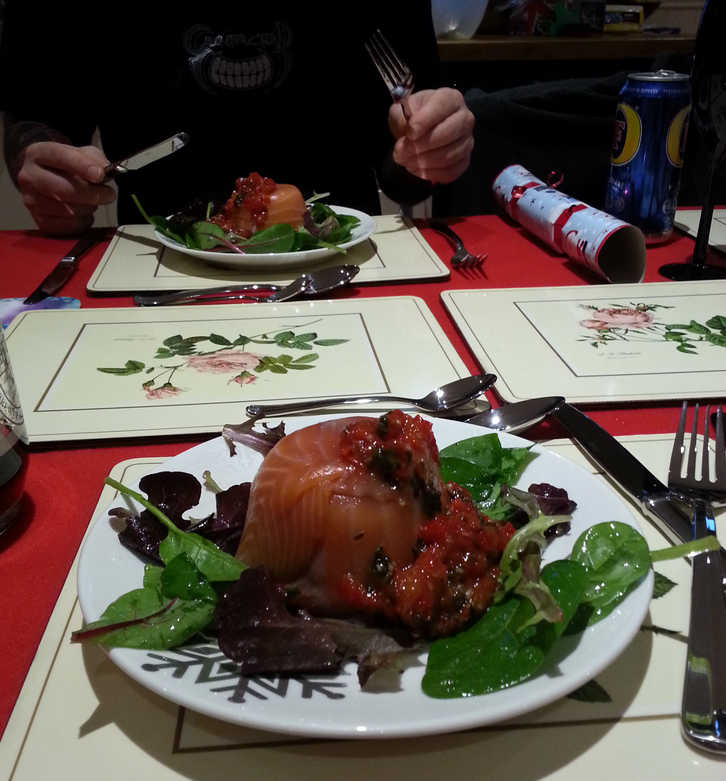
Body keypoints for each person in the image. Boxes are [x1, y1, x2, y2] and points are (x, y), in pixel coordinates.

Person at [0, 2, 475, 236]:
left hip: (338, 258)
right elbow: (37, 117)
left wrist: (427, 147)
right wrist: (48, 171)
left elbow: (407, 170)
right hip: (152, 261)